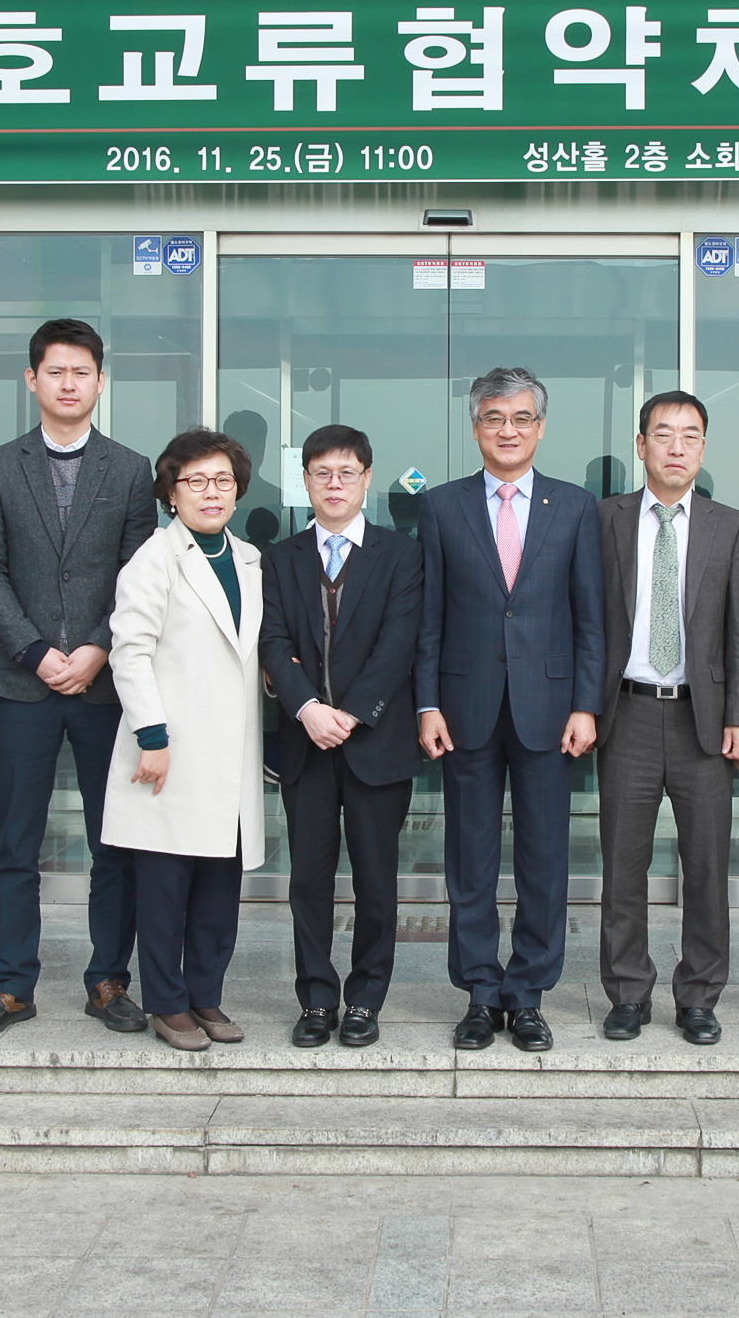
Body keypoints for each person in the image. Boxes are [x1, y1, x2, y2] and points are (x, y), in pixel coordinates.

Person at [0, 319, 155, 1039]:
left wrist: (100, 647)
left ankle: (108, 980)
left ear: (100, 381)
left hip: (106, 686)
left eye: (81, 372)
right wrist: (34, 650)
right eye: (55, 371)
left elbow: (139, 573)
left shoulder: (130, 469)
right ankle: (13, 986)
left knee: (116, 842)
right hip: (23, 684)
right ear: (32, 380)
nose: (68, 383)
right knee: (16, 843)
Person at [416, 367, 605, 1053]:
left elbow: (590, 618)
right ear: (476, 428)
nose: (508, 430)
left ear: (541, 427)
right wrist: (427, 702)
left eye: (522, 418)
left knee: (543, 859)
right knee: (469, 860)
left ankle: (527, 994)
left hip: (550, 709)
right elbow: (429, 616)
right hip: (464, 705)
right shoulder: (441, 506)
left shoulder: (574, 506)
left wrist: (586, 705)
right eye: (494, 418)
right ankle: (478, 991)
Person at [594, 392, 739, 1046]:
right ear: (641, 445)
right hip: (627, 714)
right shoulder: (604, 519)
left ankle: (699, 996)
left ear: (703, 448)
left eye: (690, 435)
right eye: (663, 434)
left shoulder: (730, 526)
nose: (677, 447)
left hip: (703, 720)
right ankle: (628, 991)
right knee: (622, 865)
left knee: (707, 867)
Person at [259, 424, 424, 1049]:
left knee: (377, 880)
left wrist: (350, 714)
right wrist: (307, 709)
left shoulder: (401, 554)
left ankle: (365, 999)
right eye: (322, 473)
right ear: (305, 480)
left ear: (366, 479)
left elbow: (398, 644)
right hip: (305, 744)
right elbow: (272, 639)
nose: (334, 484)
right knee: (309, 880)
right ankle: (316, 998)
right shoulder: (280, 558)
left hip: (375, 743)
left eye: (346, 473)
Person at [104, 430, 266, 1052]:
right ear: (172, 494)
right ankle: (167, 1003)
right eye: (195, 481)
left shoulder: (248, 558)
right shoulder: (154, 558)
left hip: (230, 753)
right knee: (165, 889)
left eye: (222, 480)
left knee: (219, 889)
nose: (211, 492)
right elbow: (130, 651)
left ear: (238, 489)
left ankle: (206, 994)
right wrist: (151, 734)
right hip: (170, 750)